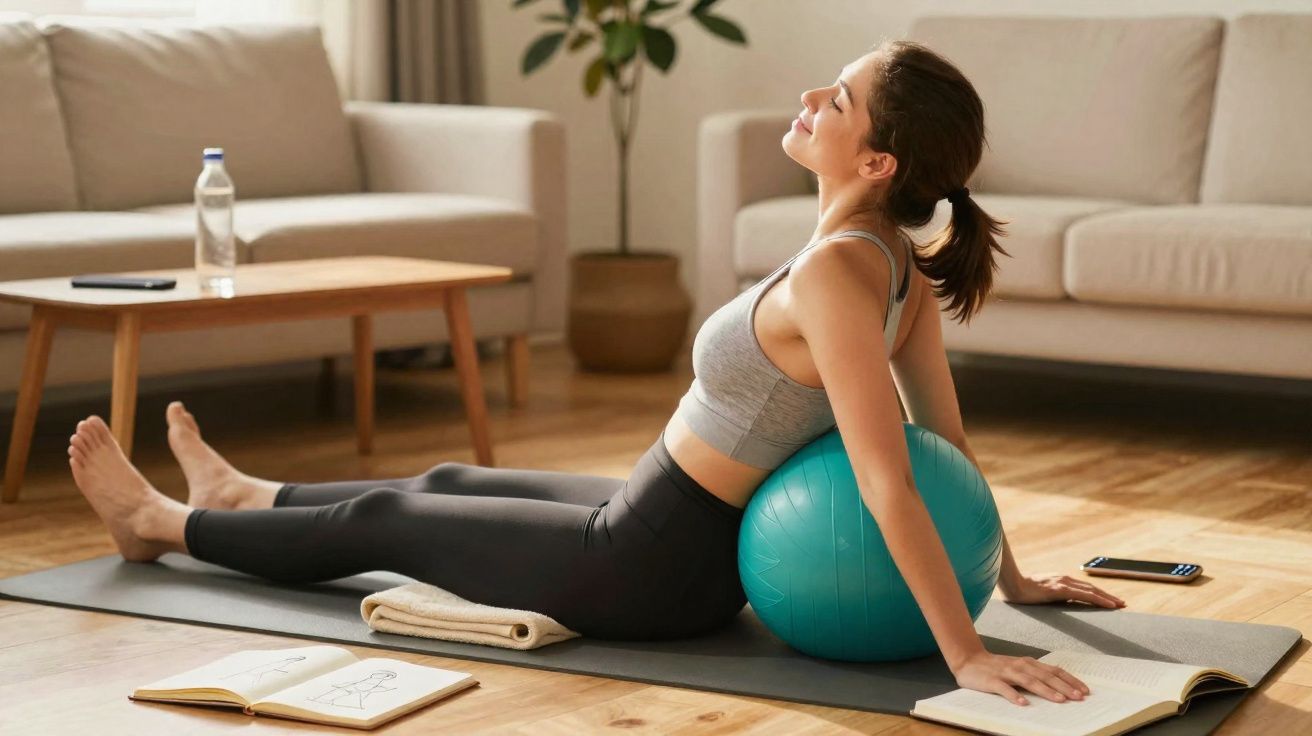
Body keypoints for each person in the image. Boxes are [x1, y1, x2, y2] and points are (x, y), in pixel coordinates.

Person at [69, 39, 1125, 708]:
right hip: (657, 511)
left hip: (653, 565)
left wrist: (967, 651)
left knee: (388, 518)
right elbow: (954, 444)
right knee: (442, 480)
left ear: (878, 162)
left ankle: (161, 525)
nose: (813, 93)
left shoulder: (846, 275)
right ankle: (245, 495)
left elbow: (899, 470)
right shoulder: (888, 259)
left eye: (840, 98)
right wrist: (1013, 575)